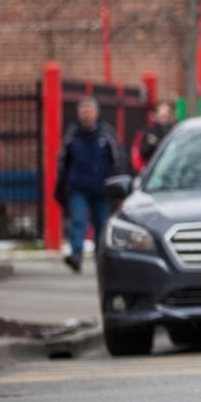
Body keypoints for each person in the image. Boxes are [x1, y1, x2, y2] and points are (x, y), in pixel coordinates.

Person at [55, 96, 124, 273]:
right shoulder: (72, 135)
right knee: (78, 221)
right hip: (78, 188)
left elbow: (118, 160)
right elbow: (63, 161)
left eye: (89, 111)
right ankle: (76, 256)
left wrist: (115, 185)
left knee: (101, 224)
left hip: (101, 190)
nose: (85, 115)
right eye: (82, 111)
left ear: (96, 112)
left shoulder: (106, 133)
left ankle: (100, 258)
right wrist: (61, 185)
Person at [132, 101, 175, 171]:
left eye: (167, 115)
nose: (165, 118)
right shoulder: (147, 132)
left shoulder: (173, 131)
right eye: (162, 116)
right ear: (155, 115)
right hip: (153, 171)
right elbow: (139, 153)